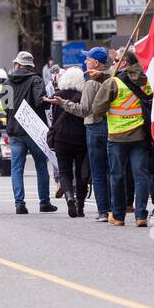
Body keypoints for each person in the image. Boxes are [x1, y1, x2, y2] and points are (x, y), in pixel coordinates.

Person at [91, 49, 154, 226]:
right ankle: (141, 215)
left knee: (117, 176)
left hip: (117, 136)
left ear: (124, 62)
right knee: (140, 175)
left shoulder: (113, 83)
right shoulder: (145, 80)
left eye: (116, 60)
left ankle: (118, 216)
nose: (113, 63)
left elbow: (97, 109)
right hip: (140, 135)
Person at [4, 51, 57, 215]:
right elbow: (40, 101)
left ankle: (19, 203)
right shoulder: (36, 80)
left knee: (16, 168)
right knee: (41, 166)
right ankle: (44, 203)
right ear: (30, 66)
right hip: (33, 130)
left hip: (14, 130)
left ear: (18, 65)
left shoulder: (7, 82)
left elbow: (6, 106)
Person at [49, 66, 91, 217]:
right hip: (81, 138)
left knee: (64, 172)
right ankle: (80, 207)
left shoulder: (57, 95)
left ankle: (69, 198)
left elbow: (53, 118)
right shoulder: (83, 95)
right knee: (81, 173)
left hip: (61, 138)